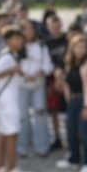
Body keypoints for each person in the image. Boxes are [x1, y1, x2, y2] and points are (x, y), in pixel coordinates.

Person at [0, 26, 33, 172]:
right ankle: (12, 171)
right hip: (8, 103)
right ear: (8, 40)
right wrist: (12, 71)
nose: (20, 41)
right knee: (12, 136)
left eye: (21, 38)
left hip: (6, 102)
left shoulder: (10, 56)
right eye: (17, 38)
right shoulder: (7, 58)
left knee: (4, 136)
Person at [56, 35, 87, 172]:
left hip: (85, 101)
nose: (80, 50)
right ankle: (74, 159)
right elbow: (67, 83)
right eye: (77, 47)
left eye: (83, 47)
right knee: (71, 131)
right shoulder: (69, 64)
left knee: (84, 133)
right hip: (72, 102)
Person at [17, 20, 53, 158]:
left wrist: (40, 72)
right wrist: (24, 74)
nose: (29, 32)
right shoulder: (17, 46)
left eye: (31, 29)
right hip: (22, 85)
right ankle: (22, 145)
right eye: (25, 29)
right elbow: (12, 63)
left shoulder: (42, 46)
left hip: (38, 84)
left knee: (40, 114)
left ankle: (41, 146)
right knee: (23, 116)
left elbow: (48, 65)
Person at [44, 14, 68, 151]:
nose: (55, 29)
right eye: (52, 26)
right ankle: (56, 137)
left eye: (57, 26)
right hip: (50, 80)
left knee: (67, 110)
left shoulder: (68, 39)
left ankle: (69, 136)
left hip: (66, 78)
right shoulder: (45, 42)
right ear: (48, 27)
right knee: (53, 111)